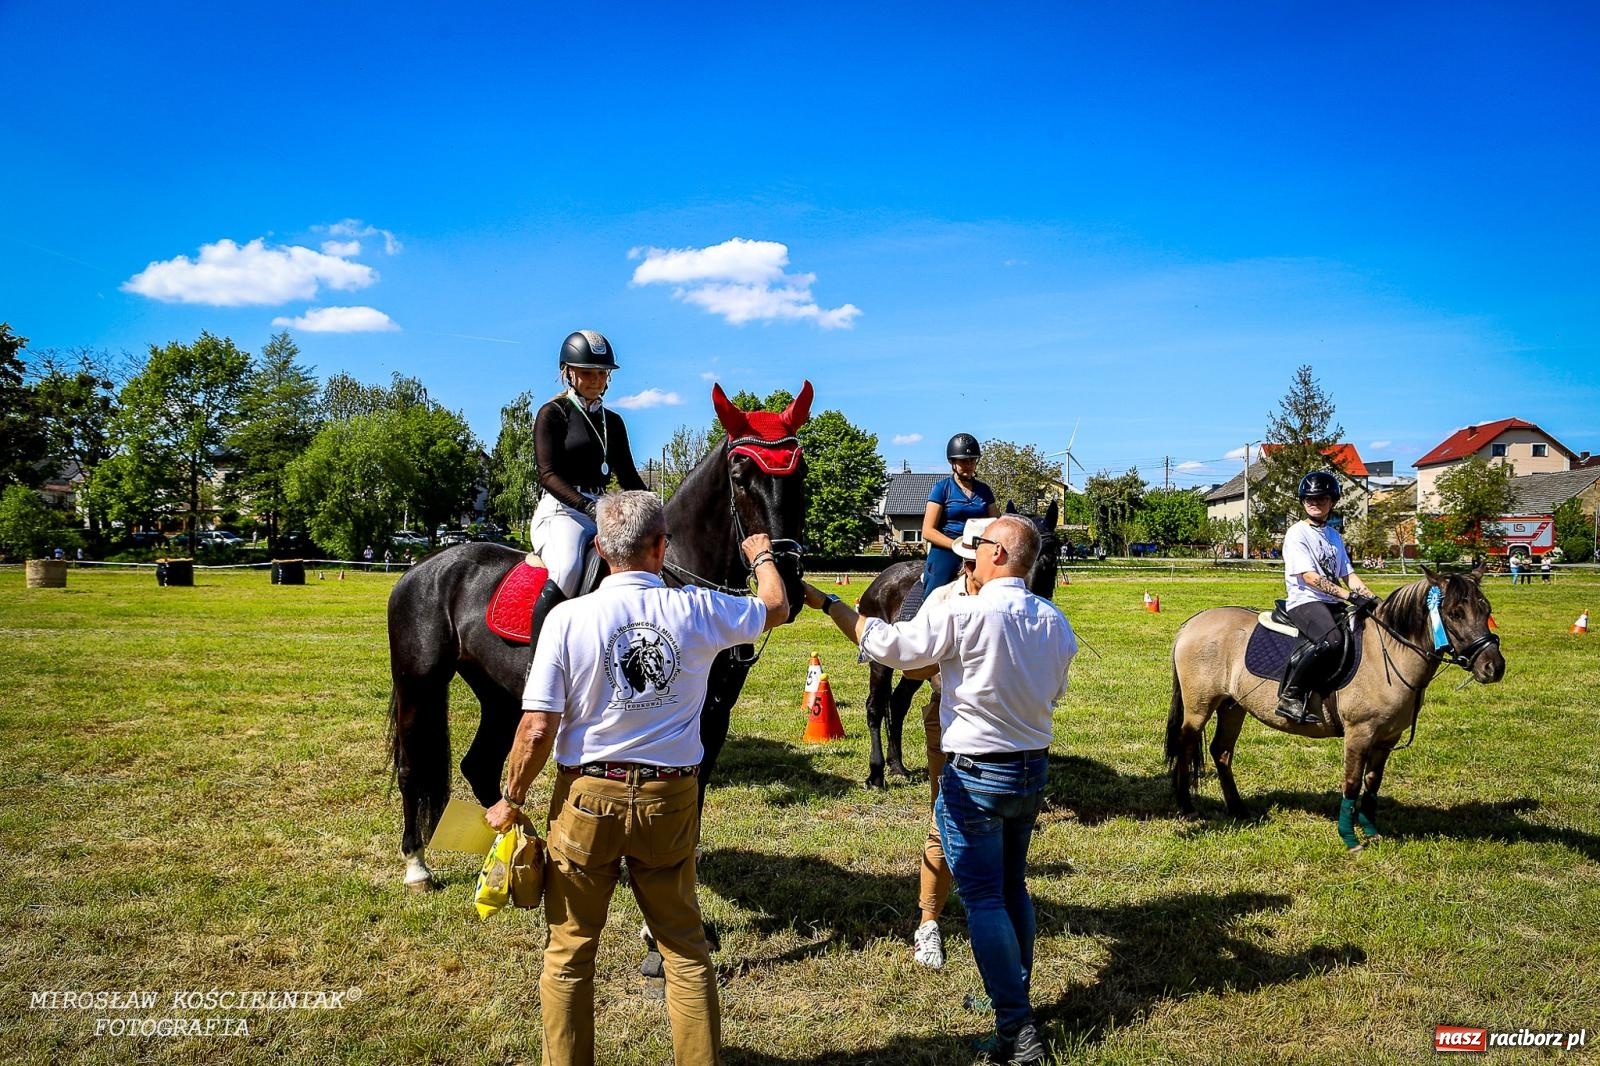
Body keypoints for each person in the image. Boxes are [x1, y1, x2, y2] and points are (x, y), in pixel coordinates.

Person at [485, 490, 789, 1066]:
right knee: (684, 951)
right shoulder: (697, 609)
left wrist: (511, 797)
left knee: (569, 954)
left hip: (584, 800)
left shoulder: (567, 618)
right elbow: (775, 607)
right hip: (670, 797)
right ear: (661, 547)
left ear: (600, 549)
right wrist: (760, 554)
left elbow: (535, 727)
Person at [801, 514, 1075, 1064]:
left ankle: (1017, 1028)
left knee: (984, 899)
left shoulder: (964, 614)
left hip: (977, 772)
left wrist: (828, 602)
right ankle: (1013, 1002)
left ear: (999, 555)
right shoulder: (1054, 619)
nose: (967, 557)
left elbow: (891, 647)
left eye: (977, 549)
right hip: (1031, 770)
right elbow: (1056, 688)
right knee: (1013, 886)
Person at [908, 517, 991, 970]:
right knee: (944, 822)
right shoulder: (941, 599)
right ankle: (928, 924)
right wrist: (940, 668)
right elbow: (910, 667)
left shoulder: (1010, 600)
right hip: (949, 724)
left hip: (1000, 732)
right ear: (968, 560)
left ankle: (990, 916)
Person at [531, 330, 647, 598]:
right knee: (567, 571)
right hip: (562, 512)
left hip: (603, 513)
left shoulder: (613, 422)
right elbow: (547, 475)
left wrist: (657, 510)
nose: (596, 380)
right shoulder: (553, 413)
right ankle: (542, 641)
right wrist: (587, 507)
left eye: (602, 373)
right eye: (587, 372)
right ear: (568, 372)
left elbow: (628, 476)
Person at [1276, 471, 1379, 726]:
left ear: (1331, 502)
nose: (1315, 502)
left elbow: (1349, 575)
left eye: (1321, 498)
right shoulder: (1297, 533)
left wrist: (1373, 599)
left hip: (1332, 602)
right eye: (1310, 498)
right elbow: (1310, 577)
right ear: (1302, 501)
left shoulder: (1334, 536)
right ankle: (1291, 695)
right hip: (1305, 600)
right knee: (1331, 640)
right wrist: (1349, 596)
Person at [904, 433, 997, 618]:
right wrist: (956, 546)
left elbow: (996, 522)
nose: (968, 465)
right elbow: (928, 530)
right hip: (947, 549)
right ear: (953, 462)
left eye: (972, 460)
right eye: (963, 461)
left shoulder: (984, 491)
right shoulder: (942, 488)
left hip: (978, 550)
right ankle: (921, 621)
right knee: (936, 591)